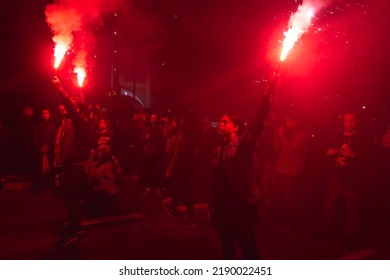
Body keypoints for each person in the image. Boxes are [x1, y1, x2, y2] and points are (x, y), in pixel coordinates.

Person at [208, 78, 275, 259]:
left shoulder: (242, 146)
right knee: (227, 247)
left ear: (236, 127)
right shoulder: (219, 148)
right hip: (223, 207)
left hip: (241, 206)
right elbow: (216, 182)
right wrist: (212, 207)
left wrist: (266, 95)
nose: (220, 124)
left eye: (225, 122)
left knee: (247, 247)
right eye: (220, 121)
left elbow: (256, 124)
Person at [320, 112, 371, 242]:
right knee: (330, 203)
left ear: (356, 121)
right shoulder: (337, 136)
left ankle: (351, 234)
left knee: (351, 207)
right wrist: (329, 151)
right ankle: (328, 228)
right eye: (346, 120)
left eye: (351, 120)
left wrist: (353, 154)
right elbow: (328, 149)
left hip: (353, 179)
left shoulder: (362, 138)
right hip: (337, 176)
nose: (348, 123)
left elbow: (369, 158)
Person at [52, 76, 89, 246]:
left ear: (77, 109)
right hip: (66, 167)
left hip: (75, 167)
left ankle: (76, 230)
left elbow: (71, 107)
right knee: (69, 200)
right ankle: (73, 225)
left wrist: (60, 88)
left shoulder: (79, 122)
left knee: (73, 200)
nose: (67, 108)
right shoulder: (65, 123)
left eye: (72, 106)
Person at [273, 112, 310, 240]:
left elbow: (289, 150)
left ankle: (298, 227)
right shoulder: (286, 133)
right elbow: (277, 148)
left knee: (290, 200)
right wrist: (277, 134)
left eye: (287, 121)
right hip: (281, 169)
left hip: (292, 171)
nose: (284, 124)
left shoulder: (302, 134)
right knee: (280, 198)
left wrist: (282, 135)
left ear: (295, 122)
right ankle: (285, 224)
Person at [85, 145, 119, 217]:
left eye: (100, 151)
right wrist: (89, 158)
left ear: (104, 153)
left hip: (109, 193)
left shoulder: (108, 164)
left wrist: (91, 158)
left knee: (92, 197)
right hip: (103, 190)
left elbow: (95, 173)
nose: (98, 153)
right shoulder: (99, 163)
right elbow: (88, 170)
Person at [32, 108, 57, 192]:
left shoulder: (53, 125)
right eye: (43, 113)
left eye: (46, 113)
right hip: (39, 150)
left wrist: (48, 146)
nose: (45, 115)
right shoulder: (37, 125)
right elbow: (34, 137)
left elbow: (54, 137)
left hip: (49, 150)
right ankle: (38, 186)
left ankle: (50, 184)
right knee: (38, 168)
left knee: (49, 167)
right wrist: (40, 146)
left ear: (49, 114)